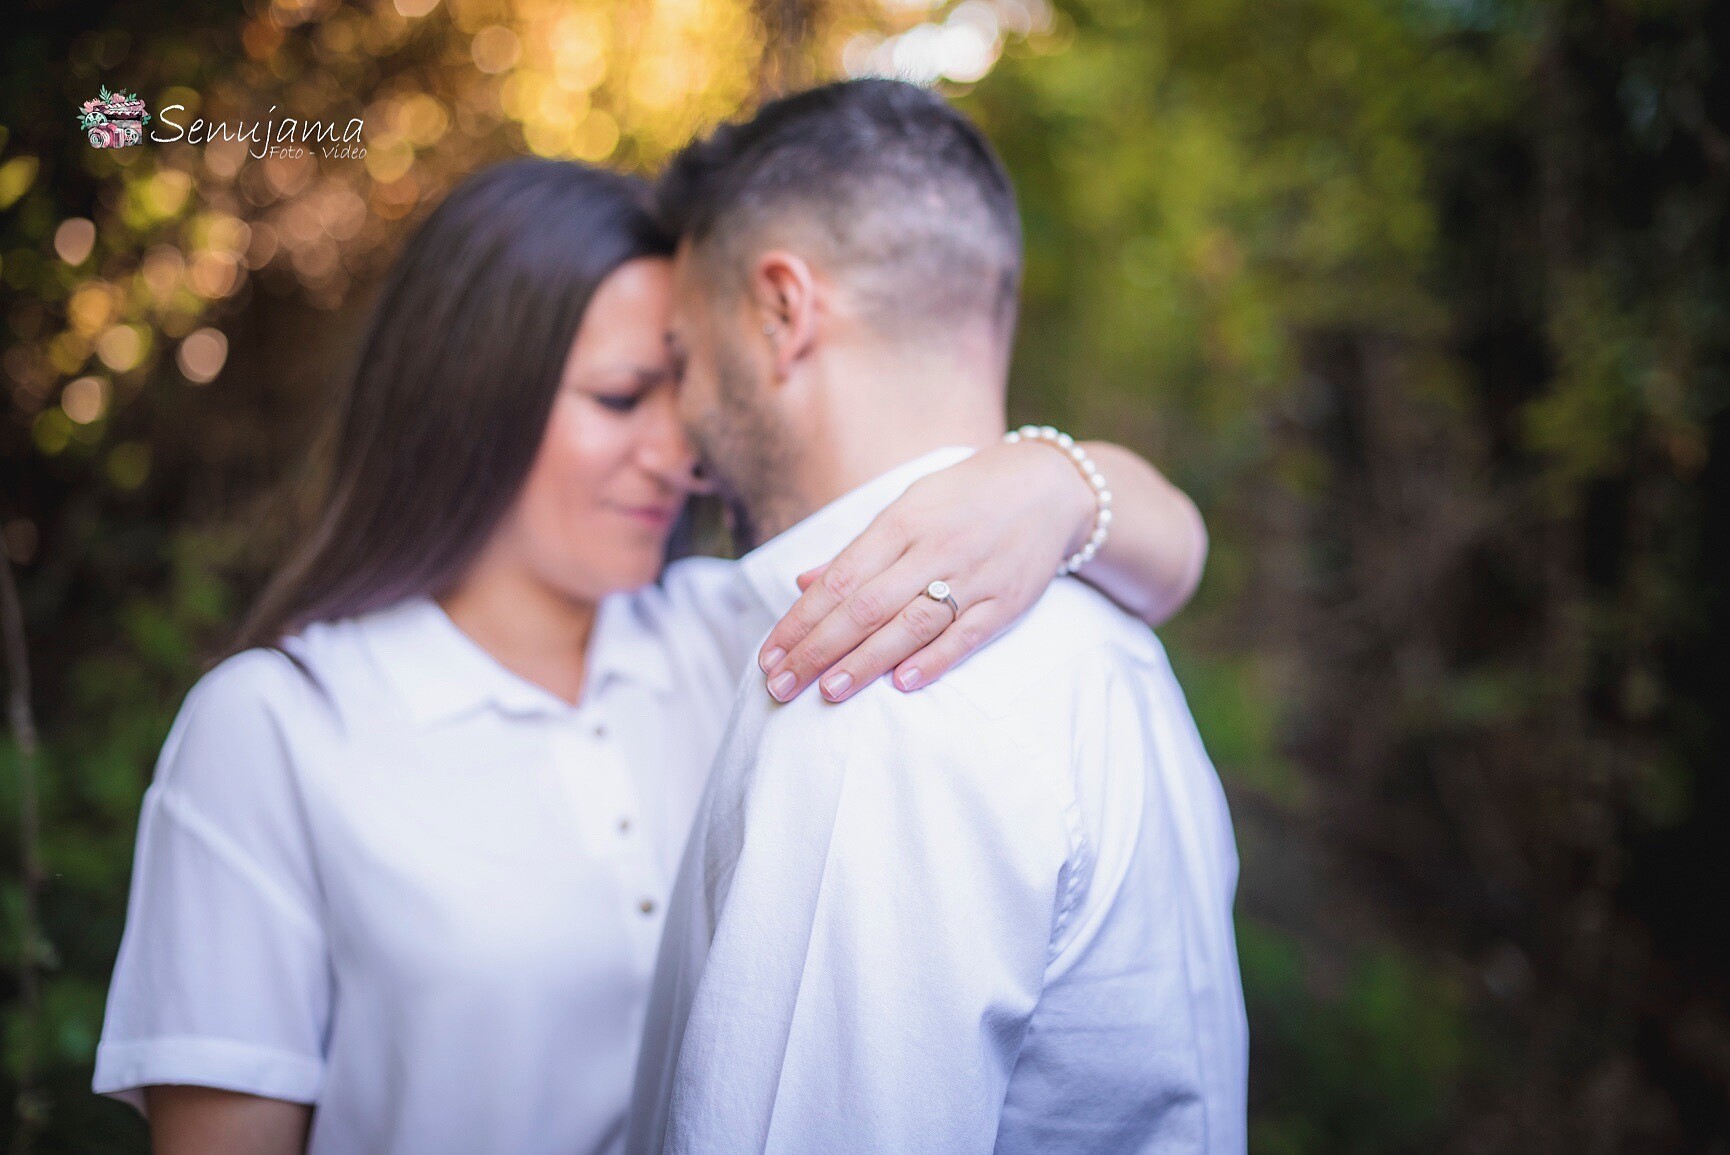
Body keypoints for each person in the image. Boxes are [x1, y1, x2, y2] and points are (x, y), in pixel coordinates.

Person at [92, 158, 1209, 1154]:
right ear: (471, 393)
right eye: (622, 397)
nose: (677, 453)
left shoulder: (750, 631)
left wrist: (1057, 483)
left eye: (679, 390)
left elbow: (1172, 562)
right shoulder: (275, 729)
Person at [626, 79, 1248, 1155]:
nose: (676, 435)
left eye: (680, 360)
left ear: (782, 314)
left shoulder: (865, 672)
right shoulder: (1111, 643)